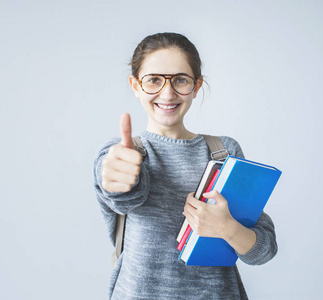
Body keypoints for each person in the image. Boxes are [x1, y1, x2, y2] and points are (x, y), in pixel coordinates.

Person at [93, 32, 277, 300]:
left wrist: (227, 228)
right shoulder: (121, 155)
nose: (167, 93)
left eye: (180, 80)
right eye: (153, 80)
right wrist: (118, 178)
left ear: (197, 85)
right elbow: (125, 195)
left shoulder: (224, 153)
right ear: (135, 85)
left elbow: (264, 250)